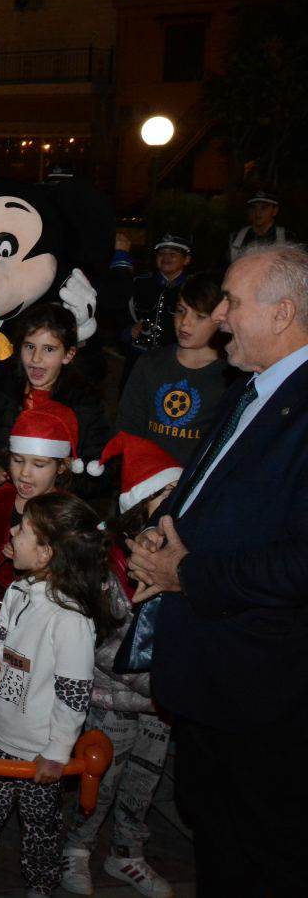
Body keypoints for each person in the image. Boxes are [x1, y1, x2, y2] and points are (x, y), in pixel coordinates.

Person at [127, 243, 308, 894]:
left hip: (264, 690)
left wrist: (189, 575)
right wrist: (160, 537)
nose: (220, 316)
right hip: (210, 677)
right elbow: (209, 493)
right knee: (214, 830)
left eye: (232, 301)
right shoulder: (250, 387)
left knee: (266, 850)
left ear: (282, 312)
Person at [0, 491, 111, 898]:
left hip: (38, 751)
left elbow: (74, 693)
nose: (12, 533)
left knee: (39, 826)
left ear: (46, 553)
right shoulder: (19, 589)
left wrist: (57, 752)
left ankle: (41, 885)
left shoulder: (69, 619)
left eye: (22, 529)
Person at [0, 400, 86, 825]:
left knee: (27, 709)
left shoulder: (65, 515)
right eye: (17, 461)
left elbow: (77, 579)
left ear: (61, 467)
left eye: (39, 464)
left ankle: (31, 788)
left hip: (40, 641)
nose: (25, 473)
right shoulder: (0, 499)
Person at [60, 433, 181, 898]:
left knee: (143, 780)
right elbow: (99, 641)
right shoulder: (107, 564)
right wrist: (158, 676)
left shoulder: (178, 556)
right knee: (101, 779)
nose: (178, 501)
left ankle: (127, 852)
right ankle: (77, 847)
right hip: (113, 700)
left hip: (159, 704)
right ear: (140, 504)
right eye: (167, 493)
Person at [0, 302, 110, 543]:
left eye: (49, 349)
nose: (36, 359)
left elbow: (100, 473)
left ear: (68, 355)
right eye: (29, 347)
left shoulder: (84, 405)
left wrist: (60, 478)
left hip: (53, 528)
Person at [116, 272, 235, 464]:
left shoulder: (228, 376)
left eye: (200, 316)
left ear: (221, 319)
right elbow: (127, 427)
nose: (185, 322)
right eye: (180, 310)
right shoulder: (150, 363)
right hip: (145, 474)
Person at [125, 232, 191, 354]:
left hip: (175, 356)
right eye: (161, 254)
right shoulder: (139, 283)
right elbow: (122, 314)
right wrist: (129, 331)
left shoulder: (193, 288)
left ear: (186, 260)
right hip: (138, 354)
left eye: (172, 254)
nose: (165, 258)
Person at [228, 187, 288, 260]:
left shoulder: (286, 237)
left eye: (264, 207)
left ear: (275, 210)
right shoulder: (236, 239)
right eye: (253, 208)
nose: (257, 212)